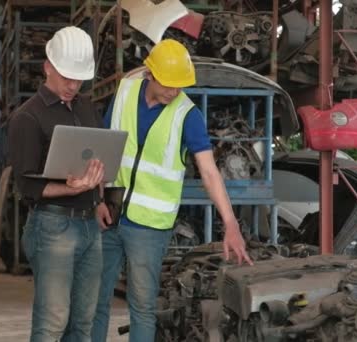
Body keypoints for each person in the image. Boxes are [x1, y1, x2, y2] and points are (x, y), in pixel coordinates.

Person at [91, 39, 253, 342]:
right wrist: (98, 199)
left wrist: (230, 224)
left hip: (150, 227)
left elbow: (209, 171)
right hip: (110, 215)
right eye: (168, 84)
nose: (174, 92)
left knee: (141, 308)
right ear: (150, 75)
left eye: (180, 86)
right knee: (95, 301)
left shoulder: (187, 115)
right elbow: (104, 148)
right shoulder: (125, 92)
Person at [8, 26, 105, 342]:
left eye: (79, 79)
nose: (73, 85)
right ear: (47, 66)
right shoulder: (28, 117)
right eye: (67, 77)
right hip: (52, 227)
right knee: (52, 324)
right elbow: (26, 186)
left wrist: (98, 195)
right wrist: (71, 189)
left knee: (82, 324)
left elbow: (97, 155)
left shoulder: (86, 106)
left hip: (90, 225)